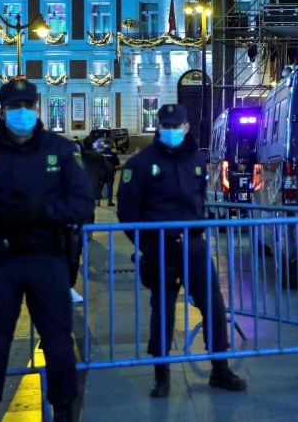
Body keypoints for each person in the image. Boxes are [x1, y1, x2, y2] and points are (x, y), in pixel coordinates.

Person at [0, 78, 94, 422]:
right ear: (2, 110)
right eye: (15, 106)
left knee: (59, 340)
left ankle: (64, 410)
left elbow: (82, 205)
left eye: (28, 105)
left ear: (37, 107)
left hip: (48, 259)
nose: (22, 112)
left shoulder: (60, 151)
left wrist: (44, 212)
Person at [117, 103, 246, 398]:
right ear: (158, 127)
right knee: (161, 310)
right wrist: (146, 245)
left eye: (177, 126)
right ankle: (161, 374)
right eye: (166, 126)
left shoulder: (197, 160)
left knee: (213, 305)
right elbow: (127, 211)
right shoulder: (140, 164)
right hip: (160, 247)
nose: (172, 131)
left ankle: (220, 368)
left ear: (186, 127)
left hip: (194, 246)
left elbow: (198, 198)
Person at [94, 137, 121, 207]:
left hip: (101, 173)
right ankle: (109, 202)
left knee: (99, 187)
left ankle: (98, 202)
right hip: (110, 173)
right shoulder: (113, 154)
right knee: (110, 187)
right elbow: (117, 163)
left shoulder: (99, 153)